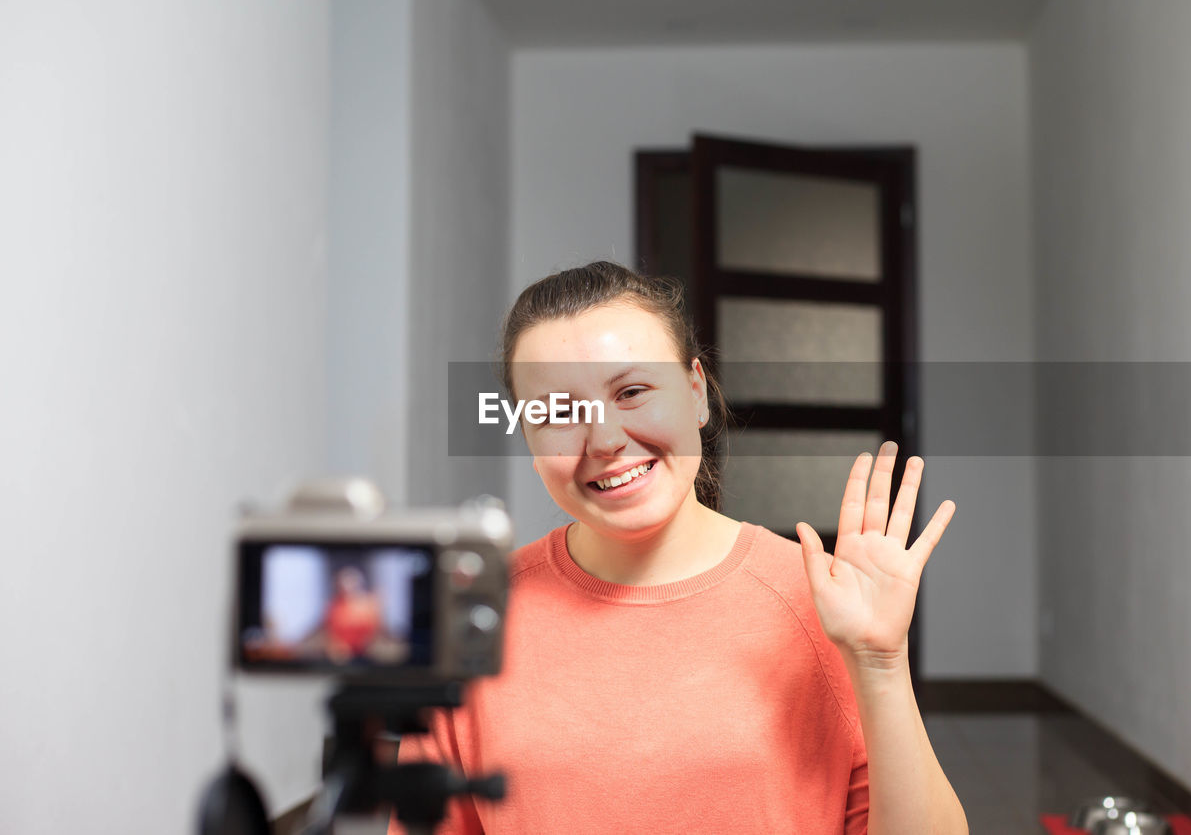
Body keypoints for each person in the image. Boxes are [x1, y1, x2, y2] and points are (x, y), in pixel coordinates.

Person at [389, 261, 967, 834]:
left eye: (633, 391)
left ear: (696, 392)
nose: (607, 440)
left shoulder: (822, 602)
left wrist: (879, 663)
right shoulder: (474, 613)